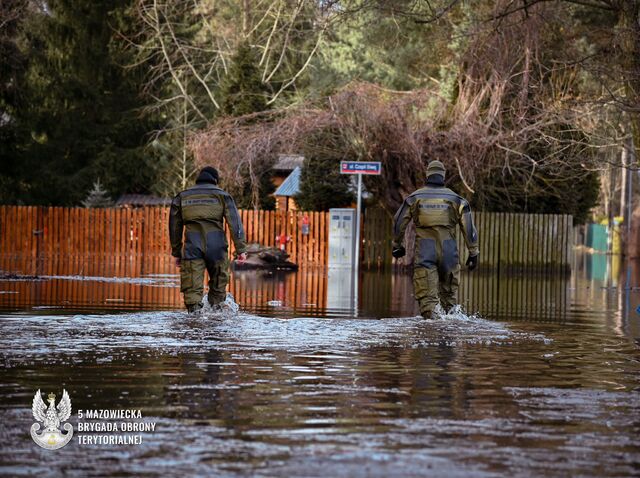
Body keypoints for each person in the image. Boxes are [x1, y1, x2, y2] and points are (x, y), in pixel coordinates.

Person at [392, 160, 479, 319]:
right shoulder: (457, 199)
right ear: (443, 176)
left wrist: (397, 245)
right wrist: (473, 252)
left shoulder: (415, 197)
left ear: (428, 175)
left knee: (428, 304)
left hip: (425, 254)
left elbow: (399, 222)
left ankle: (431, 337)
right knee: (449, 305)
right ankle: (447, 339)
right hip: (449, 255)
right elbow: (469, 227)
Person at [169, 166, 247, 313]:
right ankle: (215, 321)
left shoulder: (182, 196)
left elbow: (175, 227)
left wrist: (177, 252)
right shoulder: (222, 196)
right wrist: (240, 249)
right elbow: (235, 223)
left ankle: (194, 321)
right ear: (215, 180)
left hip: (192, 248)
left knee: (192, 292)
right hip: (217, 248)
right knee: (218, 291)